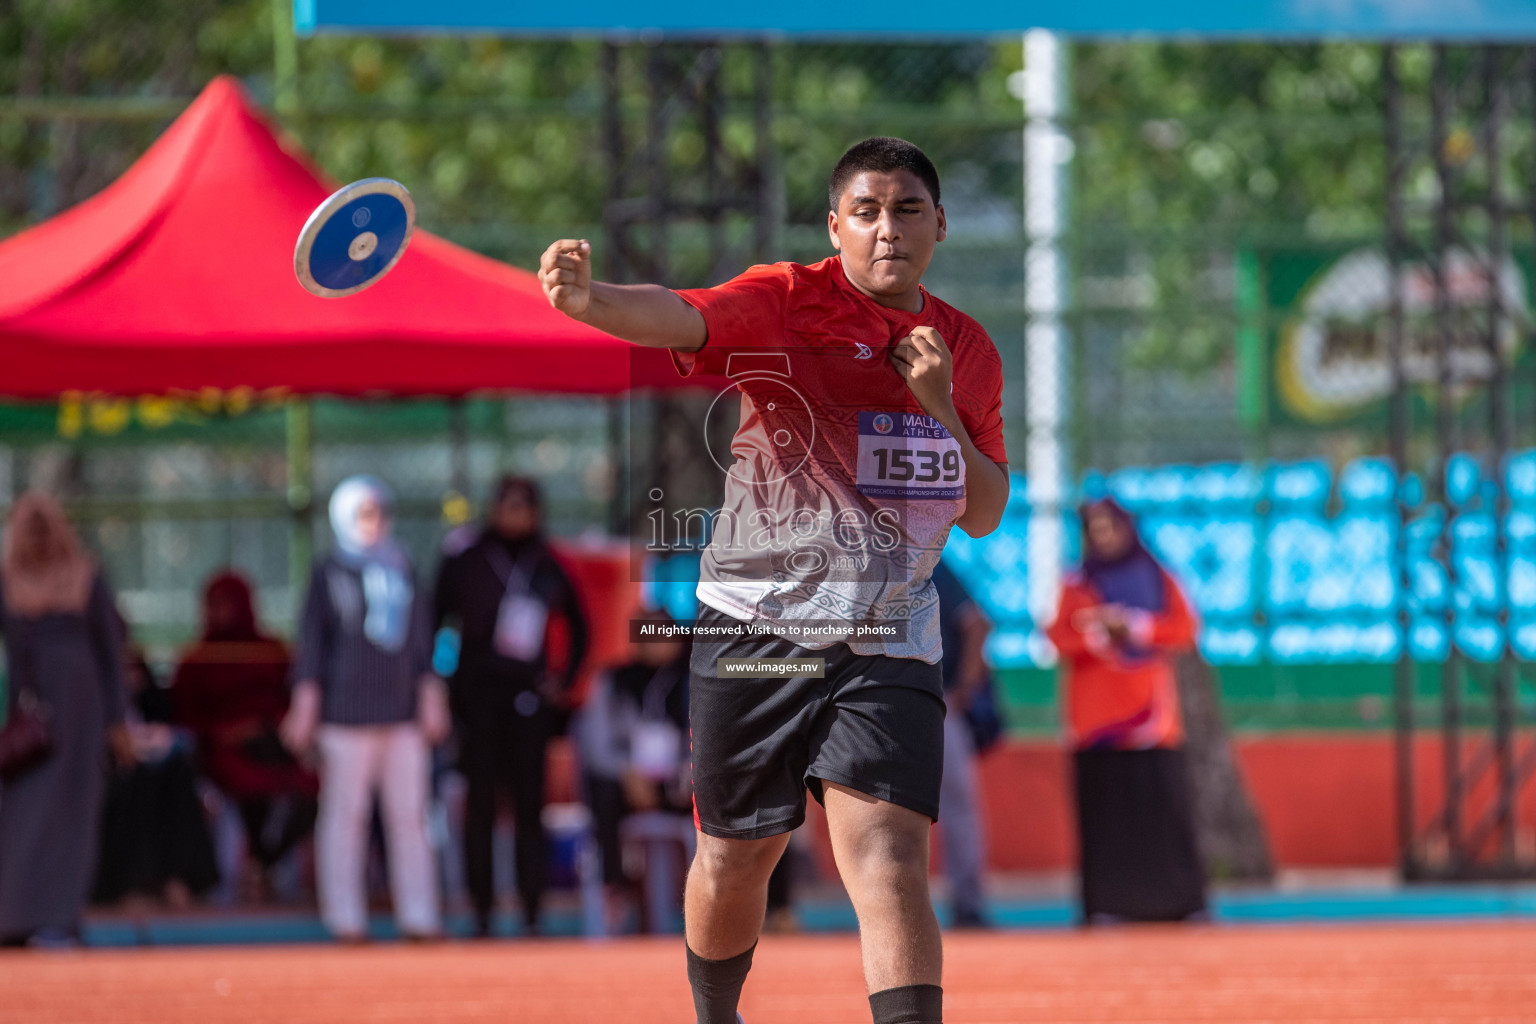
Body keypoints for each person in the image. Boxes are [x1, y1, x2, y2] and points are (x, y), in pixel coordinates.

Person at [539, 137, 1008, 1024]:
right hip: (754, 627)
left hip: (889, 632)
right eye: (865, 212)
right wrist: (589, 300)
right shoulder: (788, 299)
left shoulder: (967, 351)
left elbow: (983, 510)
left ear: (939, 225)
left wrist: (940, 404)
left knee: (889, 856)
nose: (887, 230)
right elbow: (680, 315)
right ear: (836, 227)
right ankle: (718, 1015)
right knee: (736, 853)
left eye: (908, 209)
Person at [281, 476, 448, 941]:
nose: (375, 523)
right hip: (345, 716)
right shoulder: (328, 571)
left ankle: (419, 916)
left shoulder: (404, 567)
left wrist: (431, 697)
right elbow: (312, 644)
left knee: (410, 817)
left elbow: (421, 642)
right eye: (364, 514)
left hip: (401, 715)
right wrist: (305, 705)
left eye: (380, 513)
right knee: (344, 815)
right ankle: (345, 918)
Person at [432, 475, 590, 937]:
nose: (517, 512)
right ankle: (480, 911)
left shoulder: (547, 562)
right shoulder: (467, 559)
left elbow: (581, 628)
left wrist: (561, 684)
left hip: (529, 701)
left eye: (526, 504)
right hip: (476, 699)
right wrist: (440, 687)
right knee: (480, 807)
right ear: (493, 507)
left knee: (528, 808)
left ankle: (532, 911)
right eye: (508, 503)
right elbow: (434, 619)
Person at [1045, 497, 1207, 924]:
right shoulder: (1076, 583)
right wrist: (1099, 635)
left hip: (1151, 719)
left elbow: (1185, 630)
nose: (1104, 537)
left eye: (1110, 527)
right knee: (1106, 818)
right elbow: (1057, 639)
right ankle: (1108, 905)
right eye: (1094, 530)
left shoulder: (1158, 577)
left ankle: (1178, 903)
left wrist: (1135, 626)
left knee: (1162, 812)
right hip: (1096, 721)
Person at [0, 492, 131, 946]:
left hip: (80, 712)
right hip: (27, 719)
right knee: (20, 817)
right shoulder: (7, 579)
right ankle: (15, 917)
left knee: (75, 814)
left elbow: (112, 652)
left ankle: (58, 916)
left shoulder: (85, 576)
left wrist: (118, 721)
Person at [171, 571, 317, 898]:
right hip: (225, 754)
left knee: (309, 787)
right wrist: (229, 733)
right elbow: (187, 721)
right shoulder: (197, 659)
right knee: (249, 785)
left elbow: (289, 701)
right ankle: (255, 867)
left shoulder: (269, 649)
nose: (219, 612)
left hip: (274, 746)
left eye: (226, 603)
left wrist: (269, 725)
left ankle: (266, 860)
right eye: (213, 604)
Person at [573, 610, 691, 933]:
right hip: (623, 783)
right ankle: (613, 889)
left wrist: (683, 772)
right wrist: (628, 772)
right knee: (602, 791)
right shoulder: (612, 681)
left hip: (677, 782)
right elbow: (596, 745)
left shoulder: (693, 682)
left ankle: (705, 897)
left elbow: (709, 741)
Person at [92, 619, 220, 908]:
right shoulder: (87, 672)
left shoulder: (139, 674)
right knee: (140, 782)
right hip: (105, 771)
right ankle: (136, 882)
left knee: (176, 773)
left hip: (144, 762)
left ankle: (180, 876)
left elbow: (164, 717)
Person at [929, 560, 993, 929]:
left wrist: (966, 686)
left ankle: (968, 901)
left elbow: (976, 622)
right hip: (887, 700)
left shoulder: (931, 562)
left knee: (955, 803)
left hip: (936, 699)